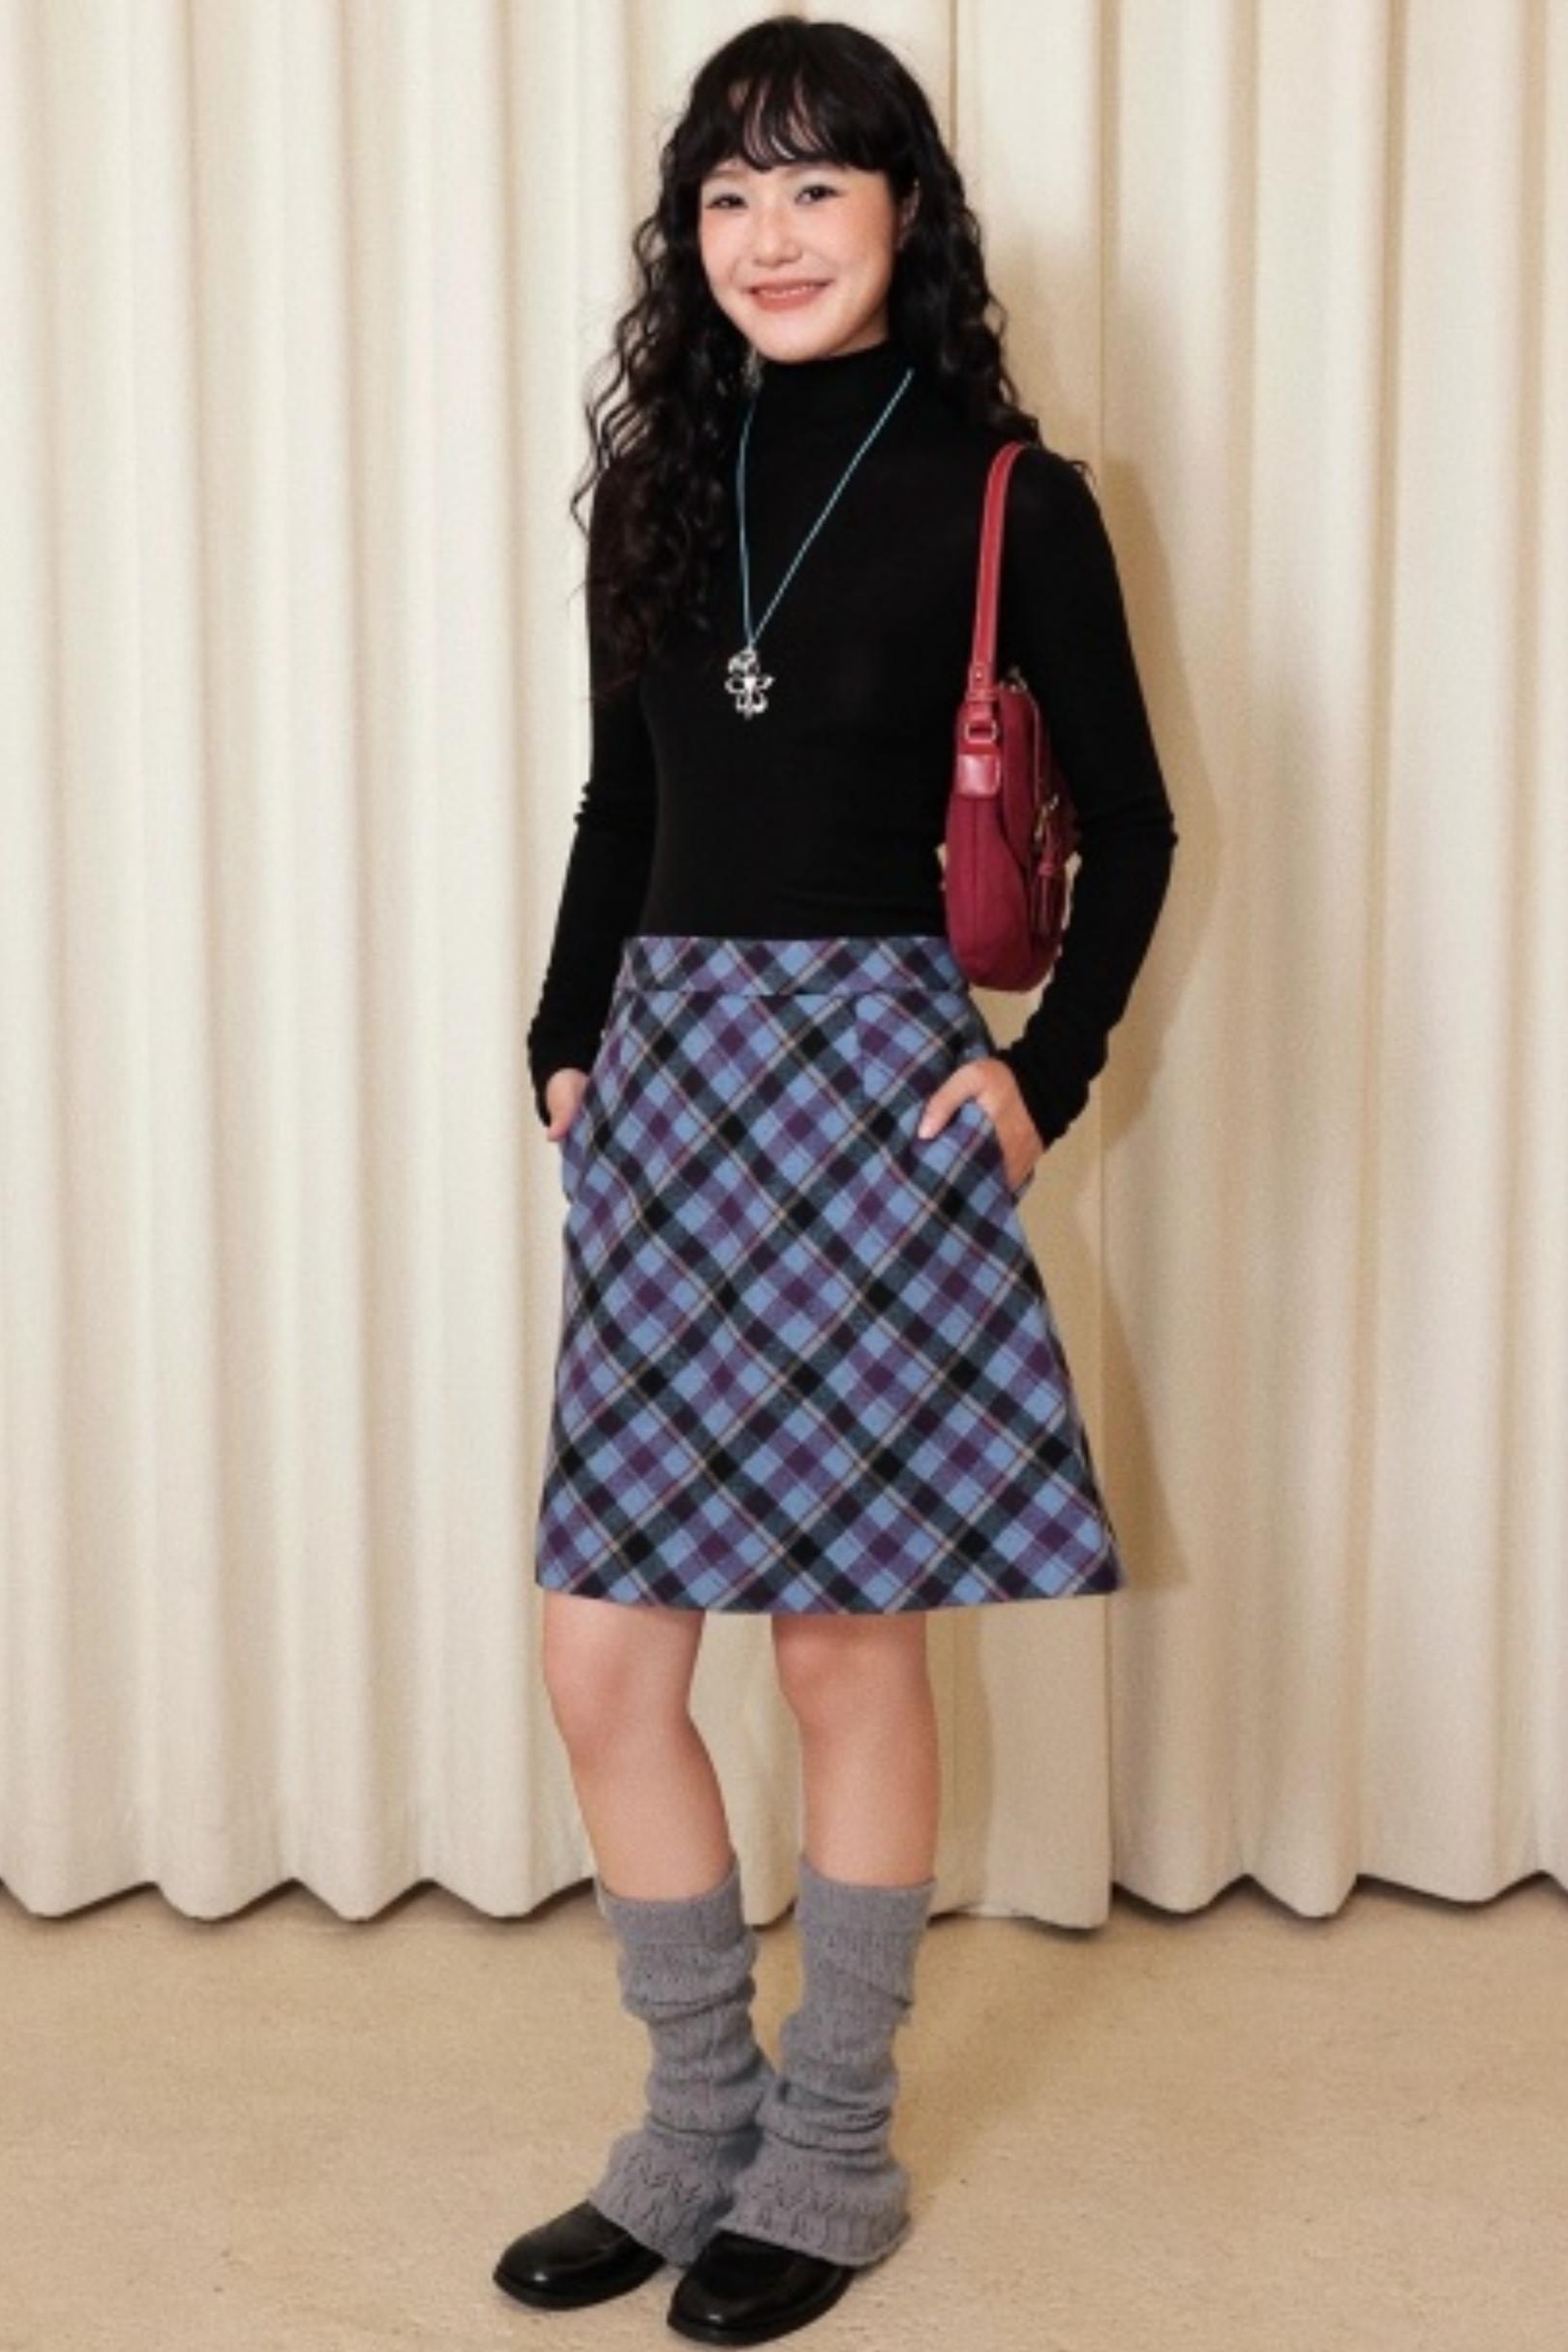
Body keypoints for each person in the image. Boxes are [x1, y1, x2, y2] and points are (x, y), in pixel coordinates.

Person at [494, 15, 1177, 2344]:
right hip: (675, 1088)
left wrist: (1042, 1078)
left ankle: (835, 2151)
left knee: (841, 1638)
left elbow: (1138, 828)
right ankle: (698, 2124)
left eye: (815, 185)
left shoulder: (1011, 495)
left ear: (905, 214)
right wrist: (564, 1038)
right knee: (603, 1655)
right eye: (728, 192)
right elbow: (626, 801)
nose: (768, 234)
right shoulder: (659, 481)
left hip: (882, 1092)